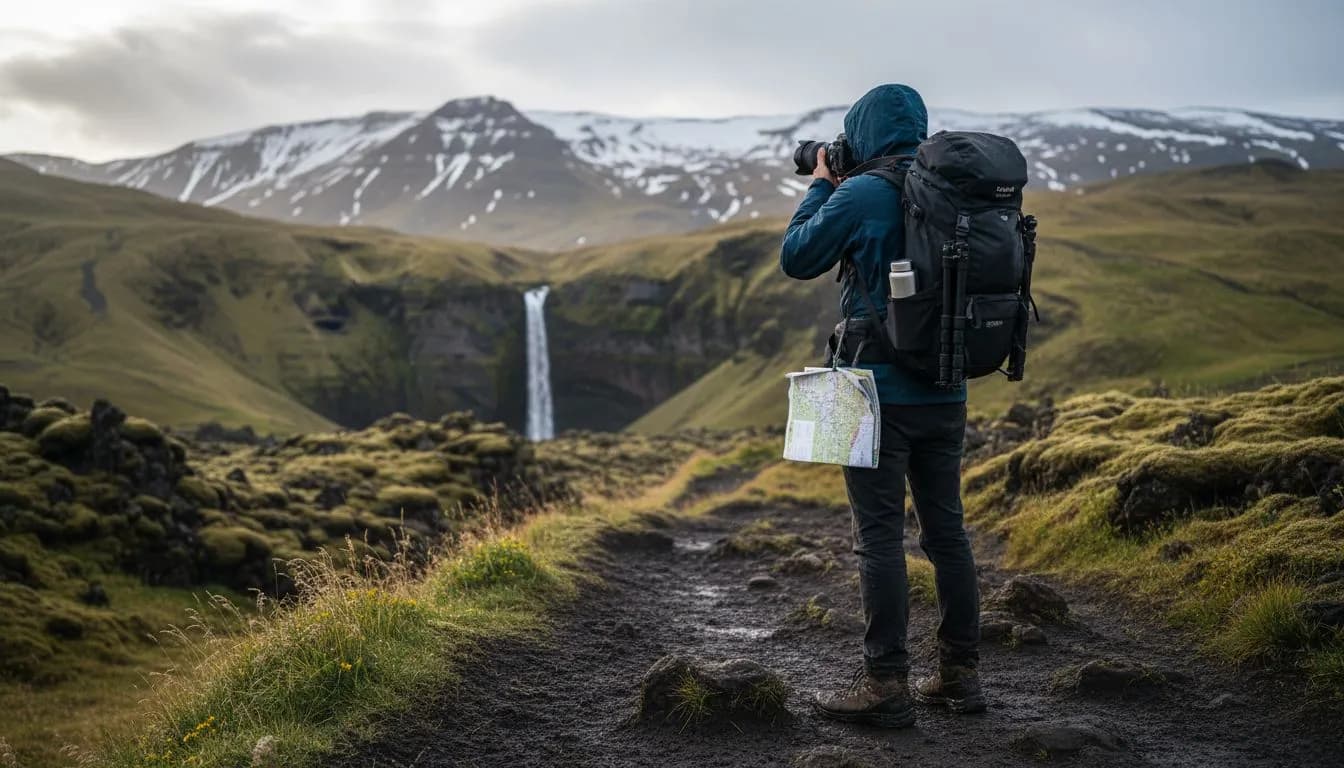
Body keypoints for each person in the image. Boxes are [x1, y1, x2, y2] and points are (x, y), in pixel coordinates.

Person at [779, 83, 983, 728]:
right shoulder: (955, 193)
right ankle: (961, 678)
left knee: (878, 537)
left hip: (872, 393)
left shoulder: (862, 192)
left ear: (862, 133)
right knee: (947, 533)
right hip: (947, 387)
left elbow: (797, 257)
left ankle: (886, 684)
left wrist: (821, 183)